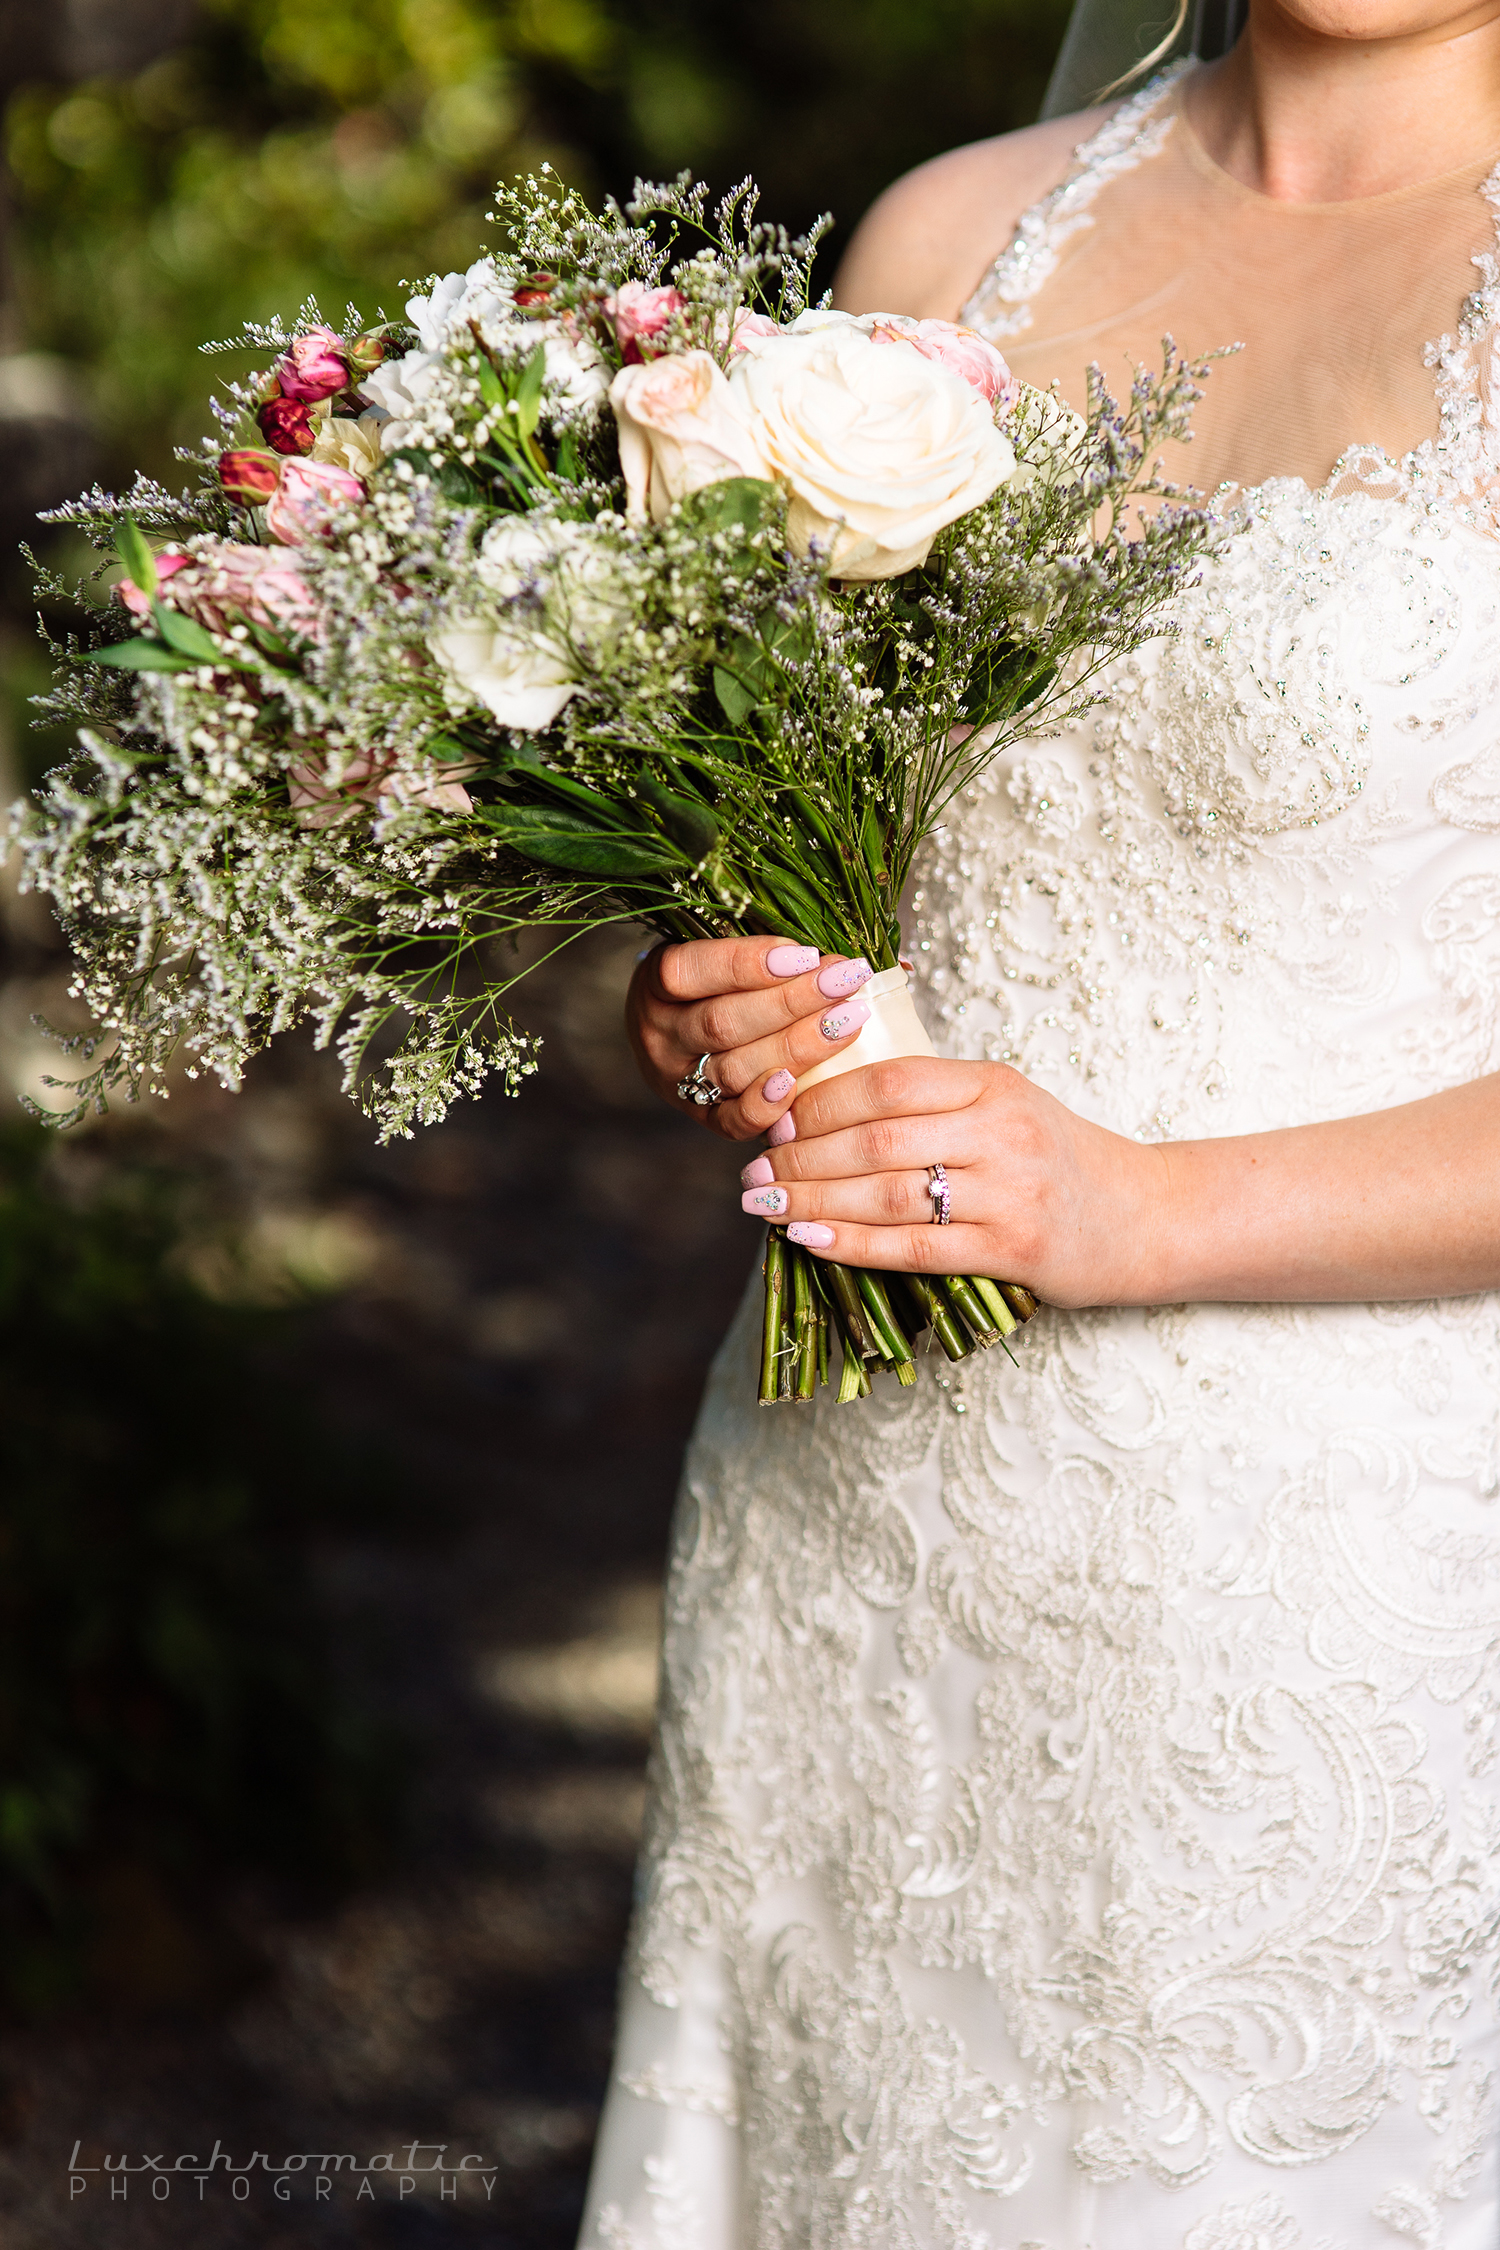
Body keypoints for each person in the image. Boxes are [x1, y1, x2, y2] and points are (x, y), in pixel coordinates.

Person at [579, 0, 1500, 2237]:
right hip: (853, 1537)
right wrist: (720, 996)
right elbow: (808, 838)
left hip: (1332, 1616)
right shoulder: (947, 241)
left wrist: (1133, 1208)